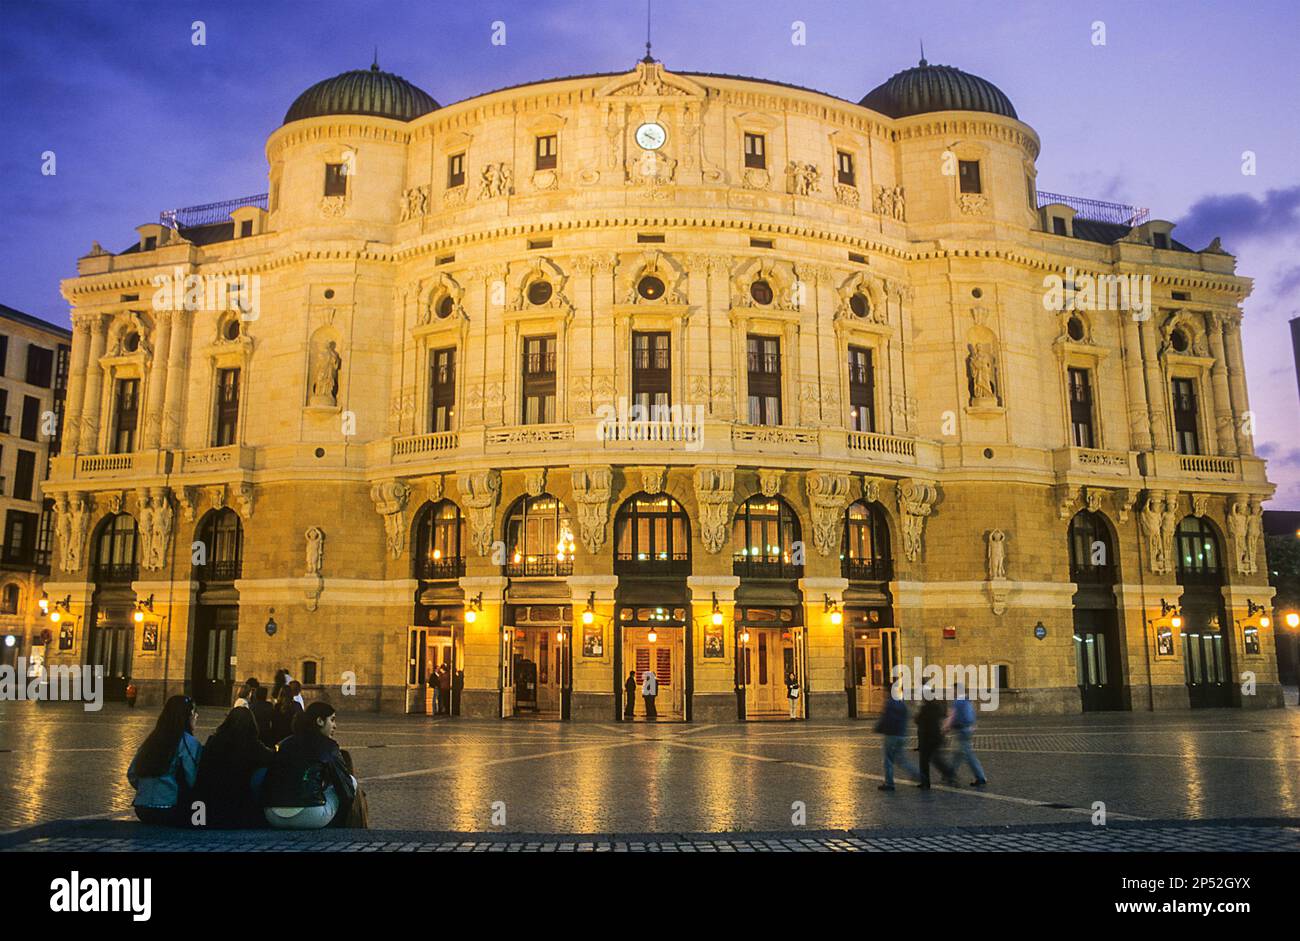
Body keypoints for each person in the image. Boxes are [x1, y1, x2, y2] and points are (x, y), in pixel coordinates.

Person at [262, 702, 363, 829]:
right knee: (351, 782)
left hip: (272, 815)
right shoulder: (329, 746)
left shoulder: (283, 744)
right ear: (320, 721)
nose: (335, 726)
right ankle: (343, 829)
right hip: (309, 815)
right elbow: (346, 789)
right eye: (332, 720)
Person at [126, 695, 202, 826]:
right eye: (194, 712)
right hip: (170, 808)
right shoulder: (188, 742)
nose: (196, 716)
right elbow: (193, 778)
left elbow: (132, 774)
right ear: (187, 715)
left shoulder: (151, 740)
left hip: (142, 809)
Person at [196, 706, 275, 828]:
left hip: (213, 801)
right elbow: (270, 758)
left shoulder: (214, 740)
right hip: (239, 802)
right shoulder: (252, 744)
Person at [874, 690, 920, 791]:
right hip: (901, 735)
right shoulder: (902, 704)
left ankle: (889, 783)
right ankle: (917, 774)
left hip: (891, 735)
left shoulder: (889, 704)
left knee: (888, 760)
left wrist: (878, 728)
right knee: (901, 759)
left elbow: (886, 719)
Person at [915, 687, 956, 789]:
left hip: (927, 737)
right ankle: (949, 774)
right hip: (936, 736)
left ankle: (926, 782)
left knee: (924, 761)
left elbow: (918, 720)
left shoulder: (925, 707)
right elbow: (942, 714)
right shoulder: (936, 705)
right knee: (936, 759)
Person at [945, 690, 988, 787]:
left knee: (968, 756)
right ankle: (950, 774)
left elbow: (953, 717)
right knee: (957, 754)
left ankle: (980, 777)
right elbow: (972, 714)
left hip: (961, 731)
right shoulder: (967, 700)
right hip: (967, 730)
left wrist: (946, 728)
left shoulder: (958, 702)